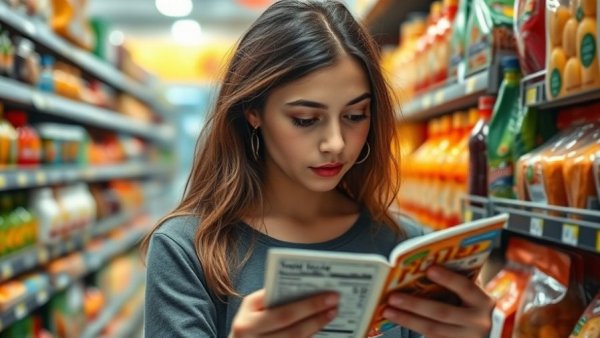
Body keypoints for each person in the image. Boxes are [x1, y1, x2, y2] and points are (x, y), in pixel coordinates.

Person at [142, 1, 494, 337]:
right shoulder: (186, 249)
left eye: (355, 116)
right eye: (306, 119)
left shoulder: (406, 244)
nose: (336, 143)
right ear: (253, 112)